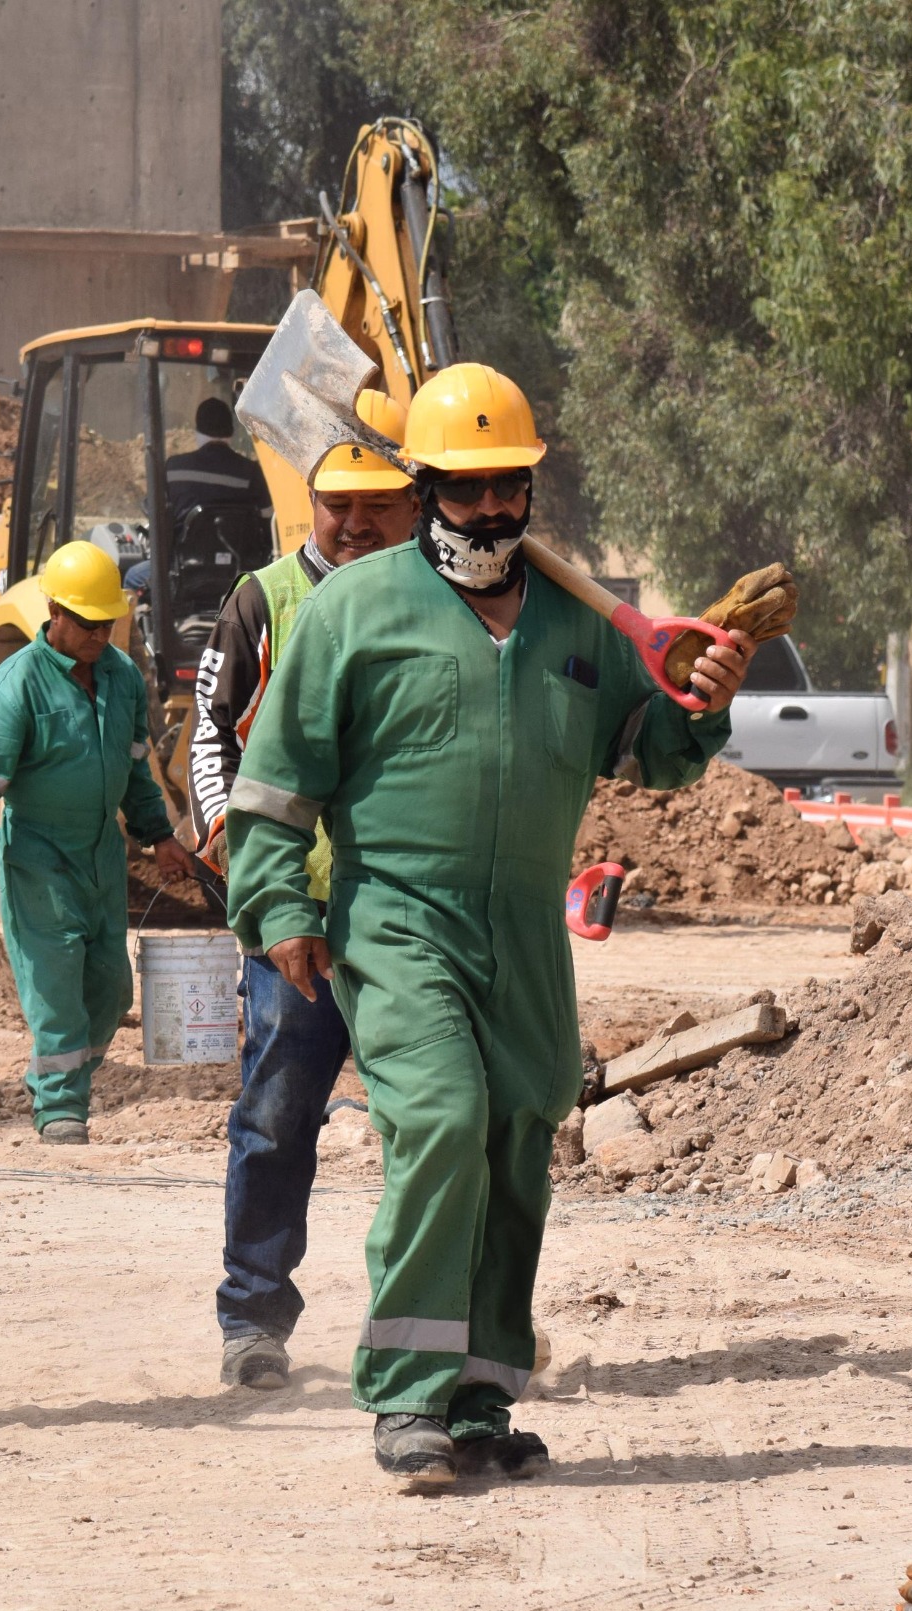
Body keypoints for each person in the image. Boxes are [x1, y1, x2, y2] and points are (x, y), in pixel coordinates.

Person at [223, 364, 753, 1486]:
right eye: (465, 491)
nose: (491, 511)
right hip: (396, 921)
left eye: (507, 488)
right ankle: (406, 1398)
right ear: (424, 491)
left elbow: (652, 751)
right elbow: (274, 785)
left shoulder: (578, 623)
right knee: (445, 1118)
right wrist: (277, 904)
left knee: (520, 1134)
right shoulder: (350, 613)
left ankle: (479, 1395)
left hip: (524, 933)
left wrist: (703, 697)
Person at [190, 391, 419, 1391]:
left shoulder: (437, 605)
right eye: (339, 505)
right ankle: (253, 1320)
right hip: (294, 923)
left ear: (411, 508)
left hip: (406, 917)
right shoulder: (262, 599)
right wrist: (224, 837)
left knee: (433, 1122)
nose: (357, 524)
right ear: (310, 503)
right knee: (277, 1118)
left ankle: (435, 1320)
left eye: (378, 505)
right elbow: (209, 731)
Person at [0, 542, 192, 1143]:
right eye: (87, 622)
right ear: (54, 612)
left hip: (103, 855)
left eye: (107, 622)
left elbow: (137, 768)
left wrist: (158, 836)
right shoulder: (18, 684)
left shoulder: (122, 677)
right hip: (38, 855)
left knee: (110, 993)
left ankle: (55, 1080)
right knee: (57, 991)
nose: (98, 634)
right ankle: (61, 1107)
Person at [163, 396, 272, 521]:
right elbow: (267, 515)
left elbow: (155, 511)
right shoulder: (251, 472)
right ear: (231, 433)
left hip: (187, 541)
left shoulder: (173, 469)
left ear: (197, 432)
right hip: (237, 540)